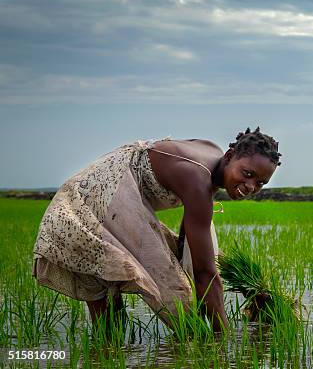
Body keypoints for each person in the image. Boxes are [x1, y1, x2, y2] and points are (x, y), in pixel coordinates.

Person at [32, 127, 281, 333]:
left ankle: (107, 354)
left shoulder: (213, 159)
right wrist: (223, 341)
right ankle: (196, 344)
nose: (251, 186)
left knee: (116, 302)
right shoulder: (196, 177)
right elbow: (206, 274)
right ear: (229, 156)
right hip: (97, 196)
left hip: (114, 196)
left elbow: (193, 233)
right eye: (247, 174)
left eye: (260, 182)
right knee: (170, 290)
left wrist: (185, 252)